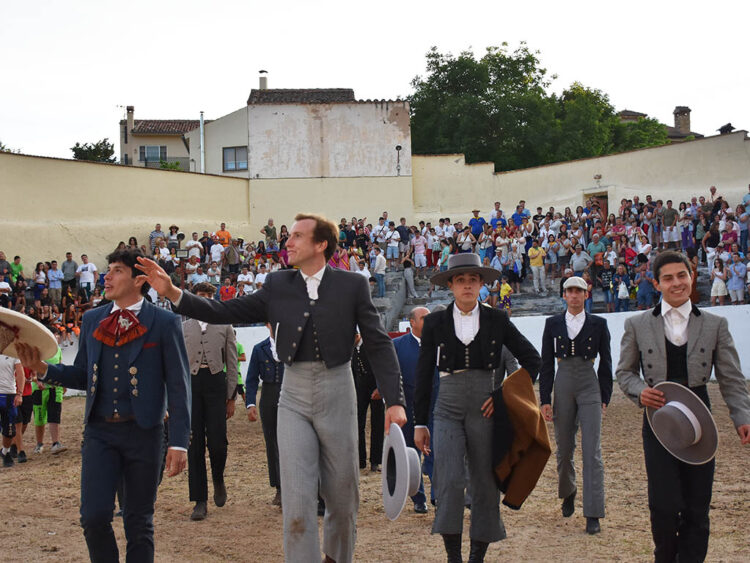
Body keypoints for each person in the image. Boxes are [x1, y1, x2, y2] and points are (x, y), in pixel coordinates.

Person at [136, 213, 406, 563]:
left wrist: (394, 400)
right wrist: (173, 292)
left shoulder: (352, 284)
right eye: (289, 236)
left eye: (297, 236)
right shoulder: (278, 284)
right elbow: (222, 309)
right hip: (292, 395)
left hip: (338, 389)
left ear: (321, 244)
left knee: (343, 496)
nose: (288, 242)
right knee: (296, 499)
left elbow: (378, 342)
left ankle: (338, 558)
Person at [16, 248, 190, 562]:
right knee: (93, 517)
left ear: (139, 280)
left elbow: (178, 386)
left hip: (145, 433)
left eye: (117, 271)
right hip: (99, 433)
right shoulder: (93, 318)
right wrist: (44, 369)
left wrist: (179, 441)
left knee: (138, 523)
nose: (106, 276)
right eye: (107, 270)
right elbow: (83, 374)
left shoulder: (164, 322)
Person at [616, 251, 750, 562]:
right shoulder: (636, 323)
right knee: (662, 504)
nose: (677, 283)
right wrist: (640, 392)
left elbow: (731, 377)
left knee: (697, 503)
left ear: (691, 276)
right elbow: (624, 372)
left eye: (682, 275)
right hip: (658, 417)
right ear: (656, 283)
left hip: (700, 416)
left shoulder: (716, 323)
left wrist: (742, 416)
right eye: (668, 278)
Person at [414, 253, 541, 563]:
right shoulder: (434, 322)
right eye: (461, 280)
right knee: (449, 479)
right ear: (451, 286)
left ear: (482, 284)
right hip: (447, 406)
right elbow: (422, 374)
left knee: (485, 482)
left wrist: (503, 397)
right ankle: (454, 557)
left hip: (486, 408)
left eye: (473, 280)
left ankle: (476, 558)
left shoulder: (498, 319)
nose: (467, 286)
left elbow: (532, 360)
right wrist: (420, 423)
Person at [539, 277, 612, 535]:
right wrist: (545, 399)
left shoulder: (599, 324)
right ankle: (568, 490)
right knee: (564, 447)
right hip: (563, 382)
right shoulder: (552, 323)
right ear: (564, 295)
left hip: (589, 383)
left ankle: (593, 512)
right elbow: (546, 363)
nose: (574, 295)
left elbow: (606, 363)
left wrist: (605, 396)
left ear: (586, 294)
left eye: (578, 291)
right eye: (569, 291)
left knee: (592, 450)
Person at [181, 282, 238, 521]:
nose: (204, 298)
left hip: (216, 384)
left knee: (217, 442)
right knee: (194, 444)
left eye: (208, 295)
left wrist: (231, 396)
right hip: (192, 387)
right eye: (200, 295)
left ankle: (218, 476)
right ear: (193, 298)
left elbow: (233, 363)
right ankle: (199, 500)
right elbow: (178, 364)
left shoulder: (224, 326)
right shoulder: (183, 327)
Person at [392, 306, 431, 514]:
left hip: (434, 406)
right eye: (424, 318)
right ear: (412, 322)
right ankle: (418, 498)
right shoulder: (397, 345)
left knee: (435, 453)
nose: (429, 321)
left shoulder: (439, 344)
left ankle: (438, 498)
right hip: (407, 407)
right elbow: (390, 374)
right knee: (411, 455)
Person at [246, 324, 285, 506]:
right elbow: (252, 378)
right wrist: (251, 403)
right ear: (268, 325)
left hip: (291, 394)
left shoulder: (293, 346)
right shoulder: (259, 348)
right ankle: (279, 488)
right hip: (269, 395)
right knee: (272, 443)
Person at [351, 332, 384, 473]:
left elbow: (383, 367)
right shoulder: (350, 348)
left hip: (375, 388)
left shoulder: (372, 345)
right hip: (359, 389)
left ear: (357, 335)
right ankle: (360, 460)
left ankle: (375, 461)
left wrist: (380, 388)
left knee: (377, 424)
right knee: (358, 424)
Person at [0, 353, 24, 468]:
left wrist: (19, 394)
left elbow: (20, 373)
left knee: (10, 429)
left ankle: (5, 451)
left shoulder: (12, 351)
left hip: (9, 394)